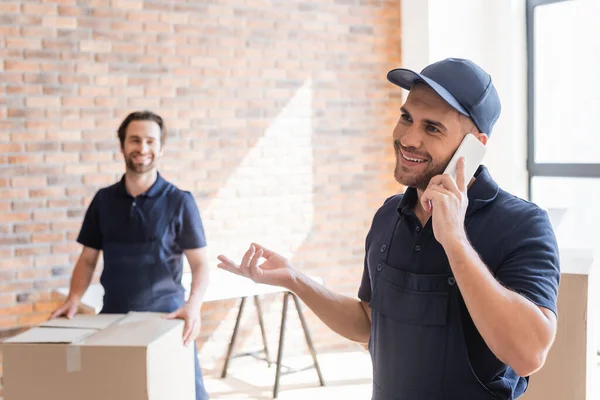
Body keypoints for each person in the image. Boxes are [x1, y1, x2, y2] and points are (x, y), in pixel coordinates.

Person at [216, 58, 560, 400]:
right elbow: (369, 324)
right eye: (407, 118)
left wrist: (455, 241)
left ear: (474, 145)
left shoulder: (522, 224)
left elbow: (527, 354)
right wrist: (294, 280)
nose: (408, 138)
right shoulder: (388, 215)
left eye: (432, 128)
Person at [51, 111, 210, 400]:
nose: (142, 148)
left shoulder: (180, 201)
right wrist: (73, 299)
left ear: (161, 148)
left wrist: (194, 306)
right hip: (113, 319)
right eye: (134, 140)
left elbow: (200, 264)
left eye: (150, 141)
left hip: (168, 320)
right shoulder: (103, 200)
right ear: (122, 145)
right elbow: (88, 259)